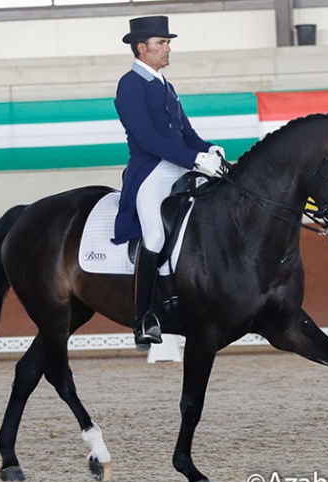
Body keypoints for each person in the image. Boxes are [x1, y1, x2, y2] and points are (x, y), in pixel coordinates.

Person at [112, 15, 225, 349]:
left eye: (167, 42)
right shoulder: (130, 84)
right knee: (155, 234)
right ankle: (144, 317)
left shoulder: (165, 84)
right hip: (151, 171)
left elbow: (186, 133)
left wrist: (208, 149)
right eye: (161, 43)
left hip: (180, 165)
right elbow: (145, 137)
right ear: (141, 48)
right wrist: (194, 159)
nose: (167, 48)